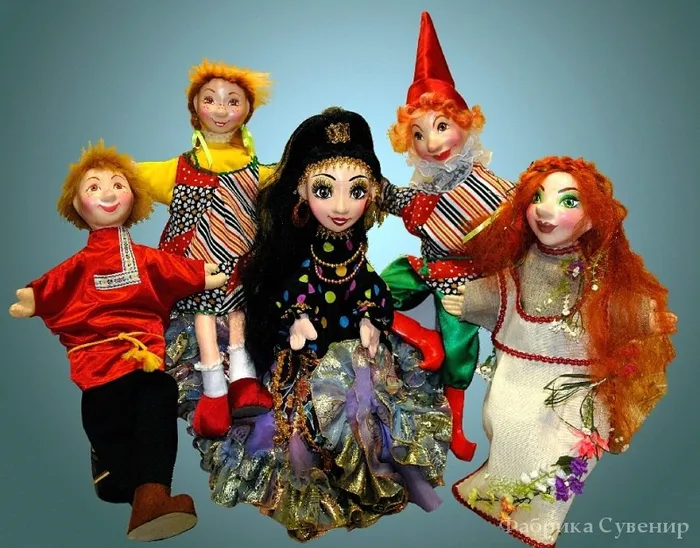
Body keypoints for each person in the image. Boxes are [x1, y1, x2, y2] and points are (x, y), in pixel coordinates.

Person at [179, 107, 452, 541]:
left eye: (356, 190)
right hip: (308, 351)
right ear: (302, 192)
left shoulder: (356, 246)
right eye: (325, 190)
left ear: (372, 193)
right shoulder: (303, 253)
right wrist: (298, 318)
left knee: (372, 398)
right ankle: (331, 483)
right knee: (307, 421)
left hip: (353, 340)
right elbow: (298, 283)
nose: (341, 207)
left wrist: (371, 316)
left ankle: (399, 469)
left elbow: (366, 281)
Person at [442, 156, 677, 547]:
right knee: (507, 418)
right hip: (519, 372)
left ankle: (539, 516)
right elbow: (501, 289)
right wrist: (470, 300)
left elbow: (613, 305)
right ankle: (501, 495)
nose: (545, 210)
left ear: (593, 218)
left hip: (575, 380)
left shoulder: (595, 273)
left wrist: (645, 317)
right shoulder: (520, 267)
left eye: (569, 201)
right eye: (537, 198)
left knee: (566, 444)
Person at [8, 140, 228, 541]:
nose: (107, 194)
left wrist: (202, 274)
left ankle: (150, 495)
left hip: (141, 356)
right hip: (98, 359)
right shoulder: (82, 262)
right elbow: (59, 282)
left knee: (158, 394)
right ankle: (123, 480)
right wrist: (35, 297)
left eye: (117, 185)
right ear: (76, 204)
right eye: (93, 187)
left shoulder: (143, 257)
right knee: (104, 411)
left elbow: (172, 269)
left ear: (134, 197)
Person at [381, 11, 514, 461]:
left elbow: (515, 225)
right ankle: (417, 341)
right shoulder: (421, 192)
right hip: (425, 269)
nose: (433, 143)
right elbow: (391, 196)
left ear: (464, 123)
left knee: (460, 353)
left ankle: (455, 426)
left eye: (441, 126)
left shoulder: (493, 186)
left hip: (464, 285)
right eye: (419, 134)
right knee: (370, 290)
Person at [137, 59, 276, 438]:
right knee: (204, 316)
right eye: (210, 99)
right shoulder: (180, 168)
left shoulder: (259, 170)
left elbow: (289, 183)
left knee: (239, 314)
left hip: (244, 264)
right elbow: (130, 175)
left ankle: (244, 378)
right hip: (198, 267)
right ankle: (214, 389)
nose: (221, 109)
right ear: (195, 107)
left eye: (233, 101)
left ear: (247, 111)